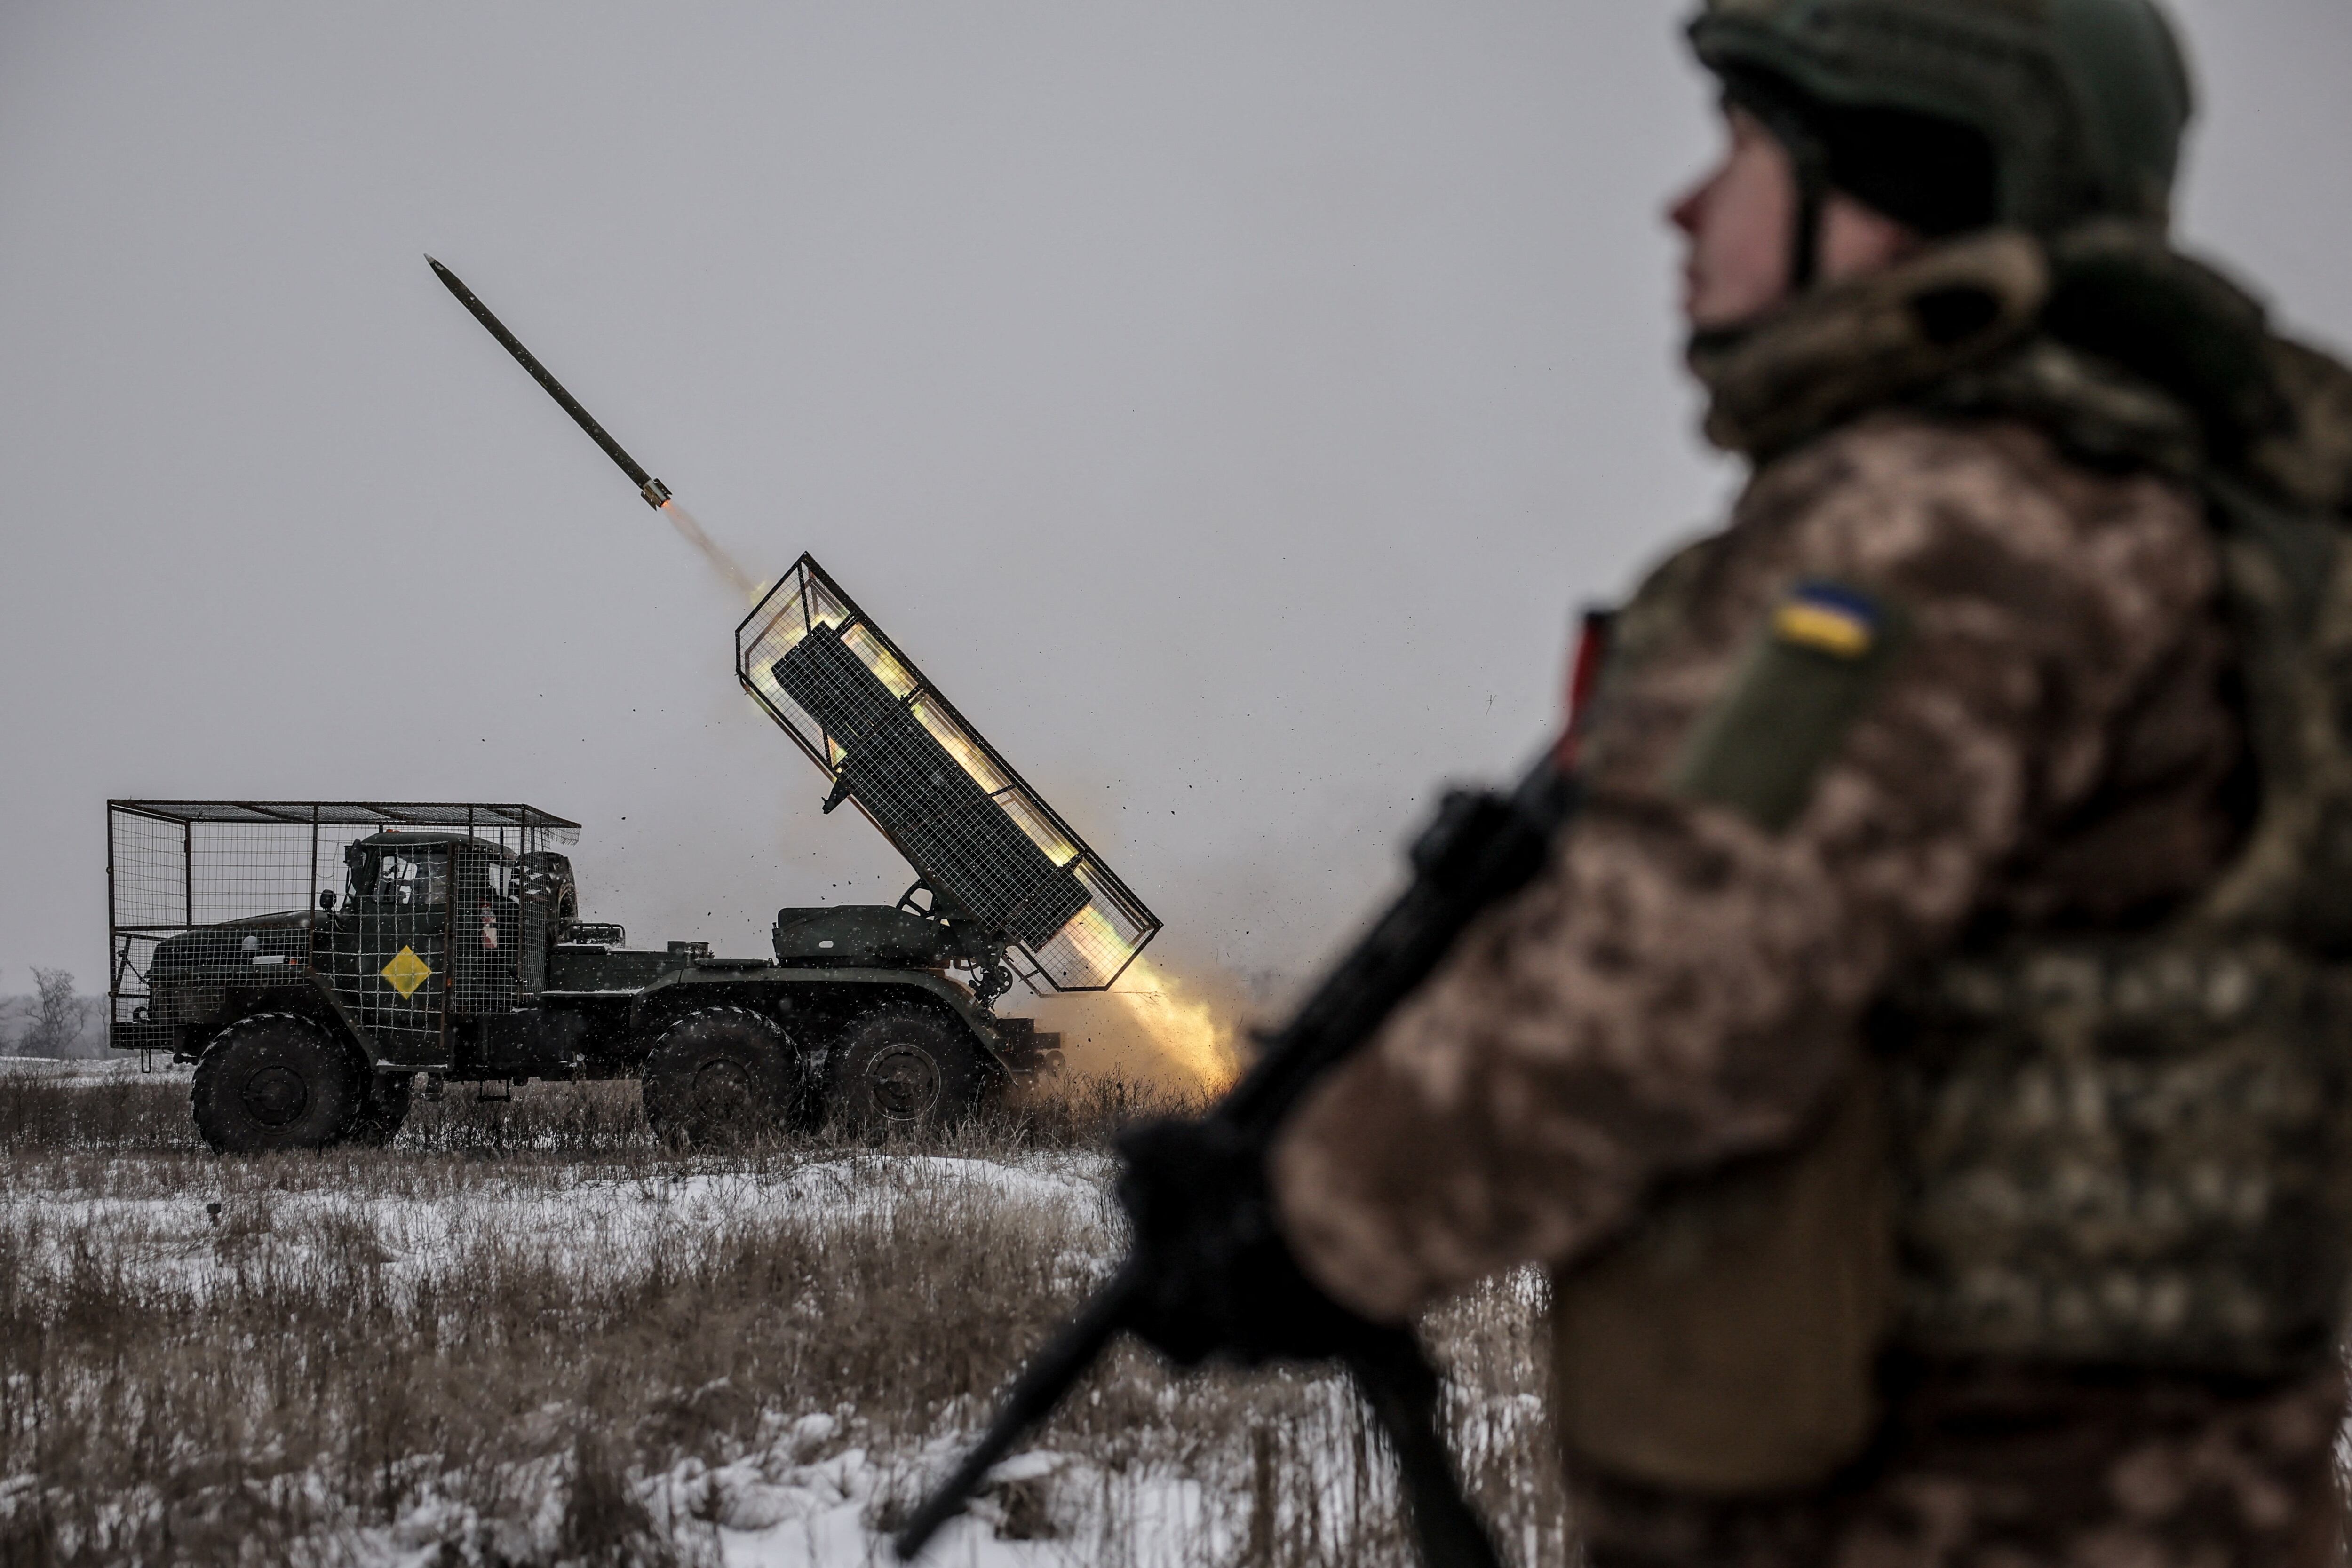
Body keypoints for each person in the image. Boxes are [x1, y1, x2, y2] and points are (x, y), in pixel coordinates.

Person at [1121, 0, 2352, 1562]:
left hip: (1947, 1510)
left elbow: (1674, 972)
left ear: (1898, 179)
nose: (1685, 205)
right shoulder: (2163, 505)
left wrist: (1313, 1220)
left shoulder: (1942, 527)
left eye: (1747, 145)